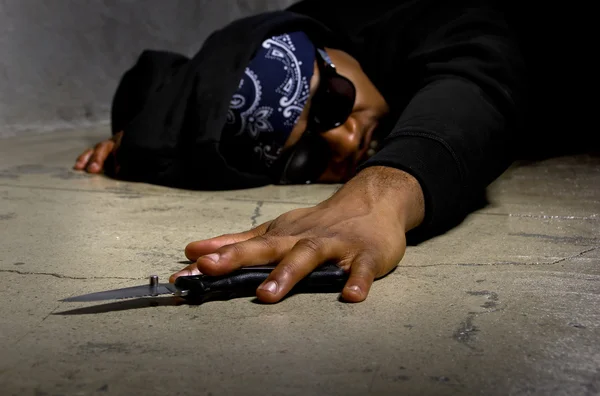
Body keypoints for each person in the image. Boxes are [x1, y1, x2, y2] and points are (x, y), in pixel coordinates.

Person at [73, 0, 592, 303]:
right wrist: (144, 142)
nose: (347, 143)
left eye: (332, 104)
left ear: (332, 51)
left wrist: (379, 192)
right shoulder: (246, 70)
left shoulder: (402, 12)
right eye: (306, 160)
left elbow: (478, 77)